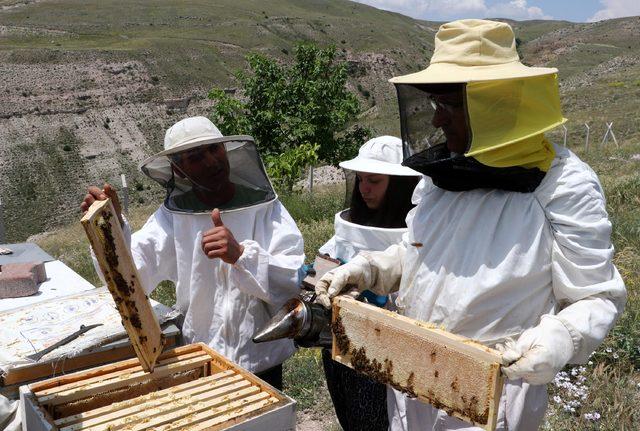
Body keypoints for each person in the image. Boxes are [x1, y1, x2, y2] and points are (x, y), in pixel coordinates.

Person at [315, 19, 626, 430]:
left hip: (494, 394)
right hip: (410, 377)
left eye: (450, 106)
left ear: (493, 103)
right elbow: (419, 251)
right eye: (434, 104)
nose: (438, 121)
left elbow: (597, 296)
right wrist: (372, 268)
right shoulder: (442, 173)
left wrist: (561, 339)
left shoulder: (562, 183)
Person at [81, 116, 304, 389]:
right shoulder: (172, 217)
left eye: (214, 149)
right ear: (179, 168)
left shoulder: (265, 208)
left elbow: (292, 282)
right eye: (196, 156)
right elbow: (134, 279)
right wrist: (110, 230)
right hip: (201, 357)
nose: (212, 162)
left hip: (261, 362)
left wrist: (242, 256)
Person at [318, 136, 421, 431]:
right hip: (338, 346)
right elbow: (331, 256)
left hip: (382, 358)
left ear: (400, 185)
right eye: (361, 179)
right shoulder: (353, 225)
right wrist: (319, 270)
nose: (364, 188)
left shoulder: (415, 235)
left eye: (374, 181)